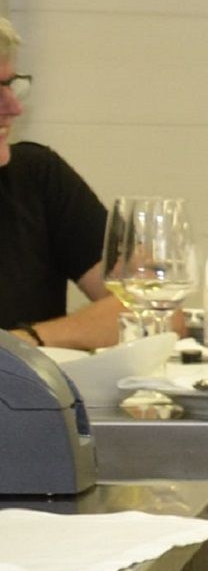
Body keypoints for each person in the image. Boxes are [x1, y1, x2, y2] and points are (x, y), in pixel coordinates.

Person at [0, 27, 125, 350]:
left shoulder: (37, 176)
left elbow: (152, 309)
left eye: (10, 85)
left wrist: (20, 344)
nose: (14, 108)